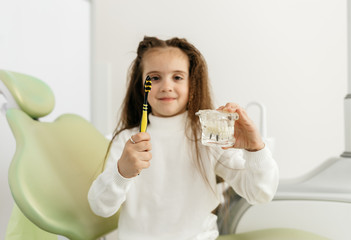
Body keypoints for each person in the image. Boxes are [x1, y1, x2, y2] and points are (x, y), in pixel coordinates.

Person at [88, 36, 279, 240]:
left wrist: (255, 148)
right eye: (154, 78)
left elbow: (260, 193)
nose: (166, 86)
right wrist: (122, 173)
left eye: (177, 77)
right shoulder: (127, 140)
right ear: (140, 85)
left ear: (192, 84)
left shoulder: (208, 135)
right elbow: (100, 207)